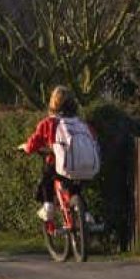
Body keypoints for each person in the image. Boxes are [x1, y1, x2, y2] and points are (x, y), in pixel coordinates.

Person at [19, 85, 92, 223]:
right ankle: (86, 215)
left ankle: (48, 207)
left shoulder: (49, 123)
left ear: (53, 103)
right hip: (83, 165)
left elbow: (33, 144)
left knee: (47, 176)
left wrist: (25, 147)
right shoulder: (80, 124)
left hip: (59, 166)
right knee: (75, 189)